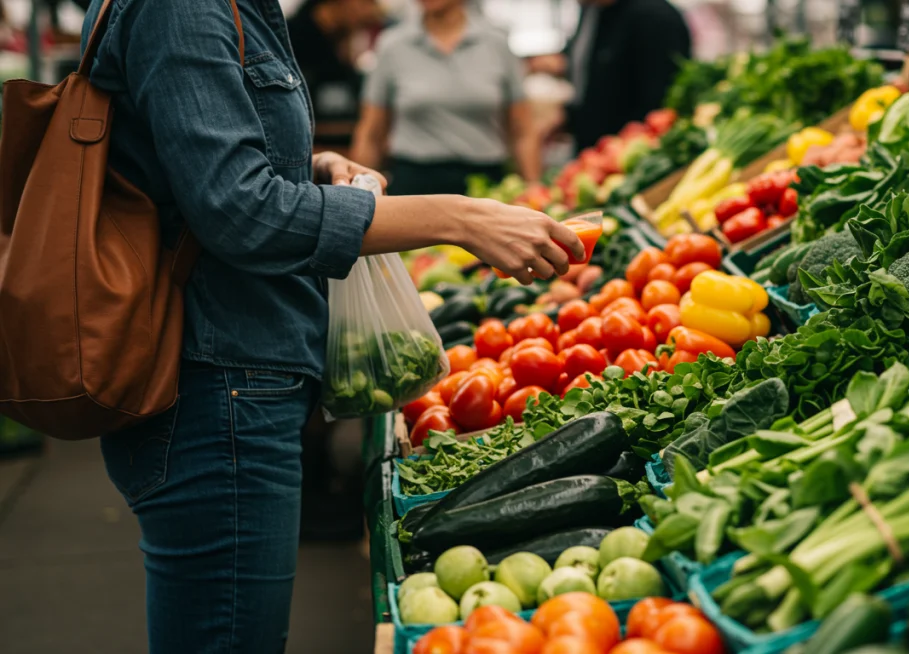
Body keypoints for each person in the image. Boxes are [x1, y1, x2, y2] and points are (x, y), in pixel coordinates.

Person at [79, 1, 582, 652]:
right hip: (215, 381)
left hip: (230, 370)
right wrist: (459, 218)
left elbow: (198, 166)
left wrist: (315, 170)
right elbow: (241, 214)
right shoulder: (185, 6)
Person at [349, 0, 539, 195]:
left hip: (485, 183)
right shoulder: (393, 45)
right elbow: (371, 133)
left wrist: (534, 189)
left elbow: (522, 131)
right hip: (415, 183)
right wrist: (355, 196)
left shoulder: (496, 44)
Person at [529, 0, 691, 153]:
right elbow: (598, 82)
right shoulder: (591, 11)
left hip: (638, 156)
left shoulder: (654, 16)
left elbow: (661, 104)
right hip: (598, 155)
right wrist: (570, 119)